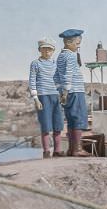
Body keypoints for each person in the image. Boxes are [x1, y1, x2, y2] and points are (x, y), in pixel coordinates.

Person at [54, 28, 89, 157]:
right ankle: (77, 149)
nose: (78, 47)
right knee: (78, 118)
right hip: (75, 91)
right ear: (68, 42)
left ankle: (70, 149)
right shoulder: (70, 56)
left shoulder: (60, 56)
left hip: (66, 92)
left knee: (71, 119)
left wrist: (61, 90)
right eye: (77, 44)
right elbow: (68, 73)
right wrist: (67, 89)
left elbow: (56, 76)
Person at [28, 38, 63, 158]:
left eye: (49, 49)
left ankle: (57, 151)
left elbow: (58, 80)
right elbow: (32, 81)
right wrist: (36, 99)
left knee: (58, 125)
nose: (47, 51)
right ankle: (46, 152)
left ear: (53, 50)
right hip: (43, 96)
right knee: (46, 126)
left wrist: (62, 93)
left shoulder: (55, 63)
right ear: (39, 50)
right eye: (44, 49)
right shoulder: (35, 63)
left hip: (56, 96)